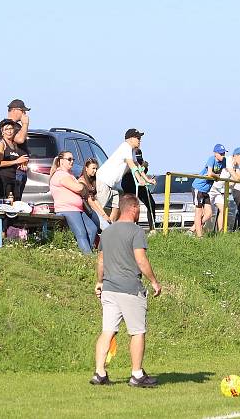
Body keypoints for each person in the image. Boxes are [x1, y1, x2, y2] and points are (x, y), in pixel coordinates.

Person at [92, 193, 162, 387]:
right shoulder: (136, 231)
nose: (139, 211)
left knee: (108, 331)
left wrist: (99, 282)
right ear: (132, 208)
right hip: (130, 289)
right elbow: (141, 260)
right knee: (137, 331)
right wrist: (154, 282)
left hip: (109, 288)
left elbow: (101, 260)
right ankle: (137, 374)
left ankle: (99, 373)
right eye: (138, 208)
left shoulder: (106, 232)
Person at [96, 129, 153, 222]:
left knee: (117, 208)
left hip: (112, 185)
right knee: (99, 209)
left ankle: (110, 230)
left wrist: (147, 179)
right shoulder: (125, 147)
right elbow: (132, 165)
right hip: (104, 181)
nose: (140, 140)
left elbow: (137, 165)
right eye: (137, 138)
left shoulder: (132, 151)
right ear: (130, 139)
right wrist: (140, 180)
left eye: (140, 138)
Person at [50, 151, 98, 254]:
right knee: (81, 233)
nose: (72, 161)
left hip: (77, 209)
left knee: (93, 229)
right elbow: (78, 187)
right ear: (61, 161)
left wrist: (82, 188)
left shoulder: (70, 175)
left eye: (73, 159)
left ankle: (85, 253)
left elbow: (82, 189)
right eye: (69, 159)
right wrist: (82, 187)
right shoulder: (60, 175)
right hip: (67, 209)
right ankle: (88, 257)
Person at [0, 99, 31, 202]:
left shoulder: (17, 126)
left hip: (19, 169)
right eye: (22, 111)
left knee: (16, 201)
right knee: (10, 202)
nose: (24, 114)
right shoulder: (6, 124)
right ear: (14, 110)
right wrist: (25, 124)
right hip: (10, 172)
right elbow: (20, 139)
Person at [189, 144, 227, 238]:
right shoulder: (211, 159)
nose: (223, 155)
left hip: (206, 190)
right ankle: (199, 236)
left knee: (209, 214)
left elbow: (220, 174)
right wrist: (216, 176)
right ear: (215, 153)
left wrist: (216, 176)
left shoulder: (224, 161)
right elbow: (210, 173)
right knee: (199, 212)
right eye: (220, 153)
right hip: (198, 187)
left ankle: (192, 230)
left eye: (223, 153)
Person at [209, 147, 240, 232]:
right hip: (211, 188)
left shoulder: (235, 165)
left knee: (223, 209)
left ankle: (221, 232)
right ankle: (194, 230)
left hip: (217, 190)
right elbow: (236, 177)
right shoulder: (228, 160)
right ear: (235, 156)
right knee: (207, 213)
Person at [120, 148, 157, 232]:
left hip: (139, 181)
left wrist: (144, 169)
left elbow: (140, 168)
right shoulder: (126, 152)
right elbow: (133, 167)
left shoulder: (137, 153)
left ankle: (152, 229)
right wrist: (143, 168)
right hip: (129, 179)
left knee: (151, 203)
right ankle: (130, 227)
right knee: (131, 205)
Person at [79, 157, 112, 231]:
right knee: (107, 228)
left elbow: (94, 199)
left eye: (96, 169)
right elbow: (90, 201)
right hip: (86, 210)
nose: (95, 171)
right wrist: (102, 215)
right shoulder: (82, 181)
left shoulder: (92, 180)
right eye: (93, 168)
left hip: (92, 209)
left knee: (109, 224)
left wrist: (104, 214)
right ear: (86, 168)